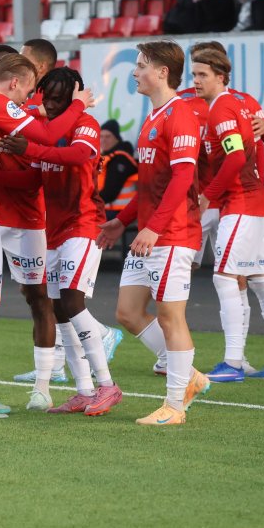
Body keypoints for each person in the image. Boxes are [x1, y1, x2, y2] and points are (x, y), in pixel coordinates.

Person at [0, 53, 109, 419]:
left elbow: (60, 156)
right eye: (29, 92)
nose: (28, 101)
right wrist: (78, 105)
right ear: (16, 82)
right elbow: (48, 135)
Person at [0, 68, 124, 416]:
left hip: (83, 224)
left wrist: (31, 148)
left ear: (73, 97)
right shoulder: (48, 131)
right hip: (54, 231)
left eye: (58, 99)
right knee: (60, 311)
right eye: (47, 98)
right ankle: (83, 390)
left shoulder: (86, 124)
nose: (50, 105)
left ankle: (107, 385)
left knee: (72, 300)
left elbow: (78, 155)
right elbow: (34, 178)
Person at [96, 41, 208, 426]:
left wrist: (154, 228)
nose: (135, 72)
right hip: (151, 232)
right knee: (127, 312)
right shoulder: (154, 115)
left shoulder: (180, 115)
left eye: (142, 65)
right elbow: (149, 186)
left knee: (170, 317)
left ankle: (175, 406)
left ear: (162, 72)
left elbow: (182, 178)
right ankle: (189, 375)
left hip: (172, 235)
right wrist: (122, 221)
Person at [192, 48, 264, 383]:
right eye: (194, 74)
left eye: (202, 74)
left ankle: (233, 363)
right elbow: (253, 150)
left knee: (225, 277)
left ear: (221, 76)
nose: (195, 81)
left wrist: (207, 196)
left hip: (238, 202)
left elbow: (238, 157)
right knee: (260, 279)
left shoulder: (224, 107)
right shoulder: (238, 103)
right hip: (248, 203)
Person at [97, 118, 137, 217]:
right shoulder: (107, 156)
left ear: (116, 138)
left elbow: (110, 193)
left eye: (108, 136)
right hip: (108, 208)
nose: (103, 140)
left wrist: (87, 203)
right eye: (101, 136)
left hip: (118, 213)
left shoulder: (120, 159)